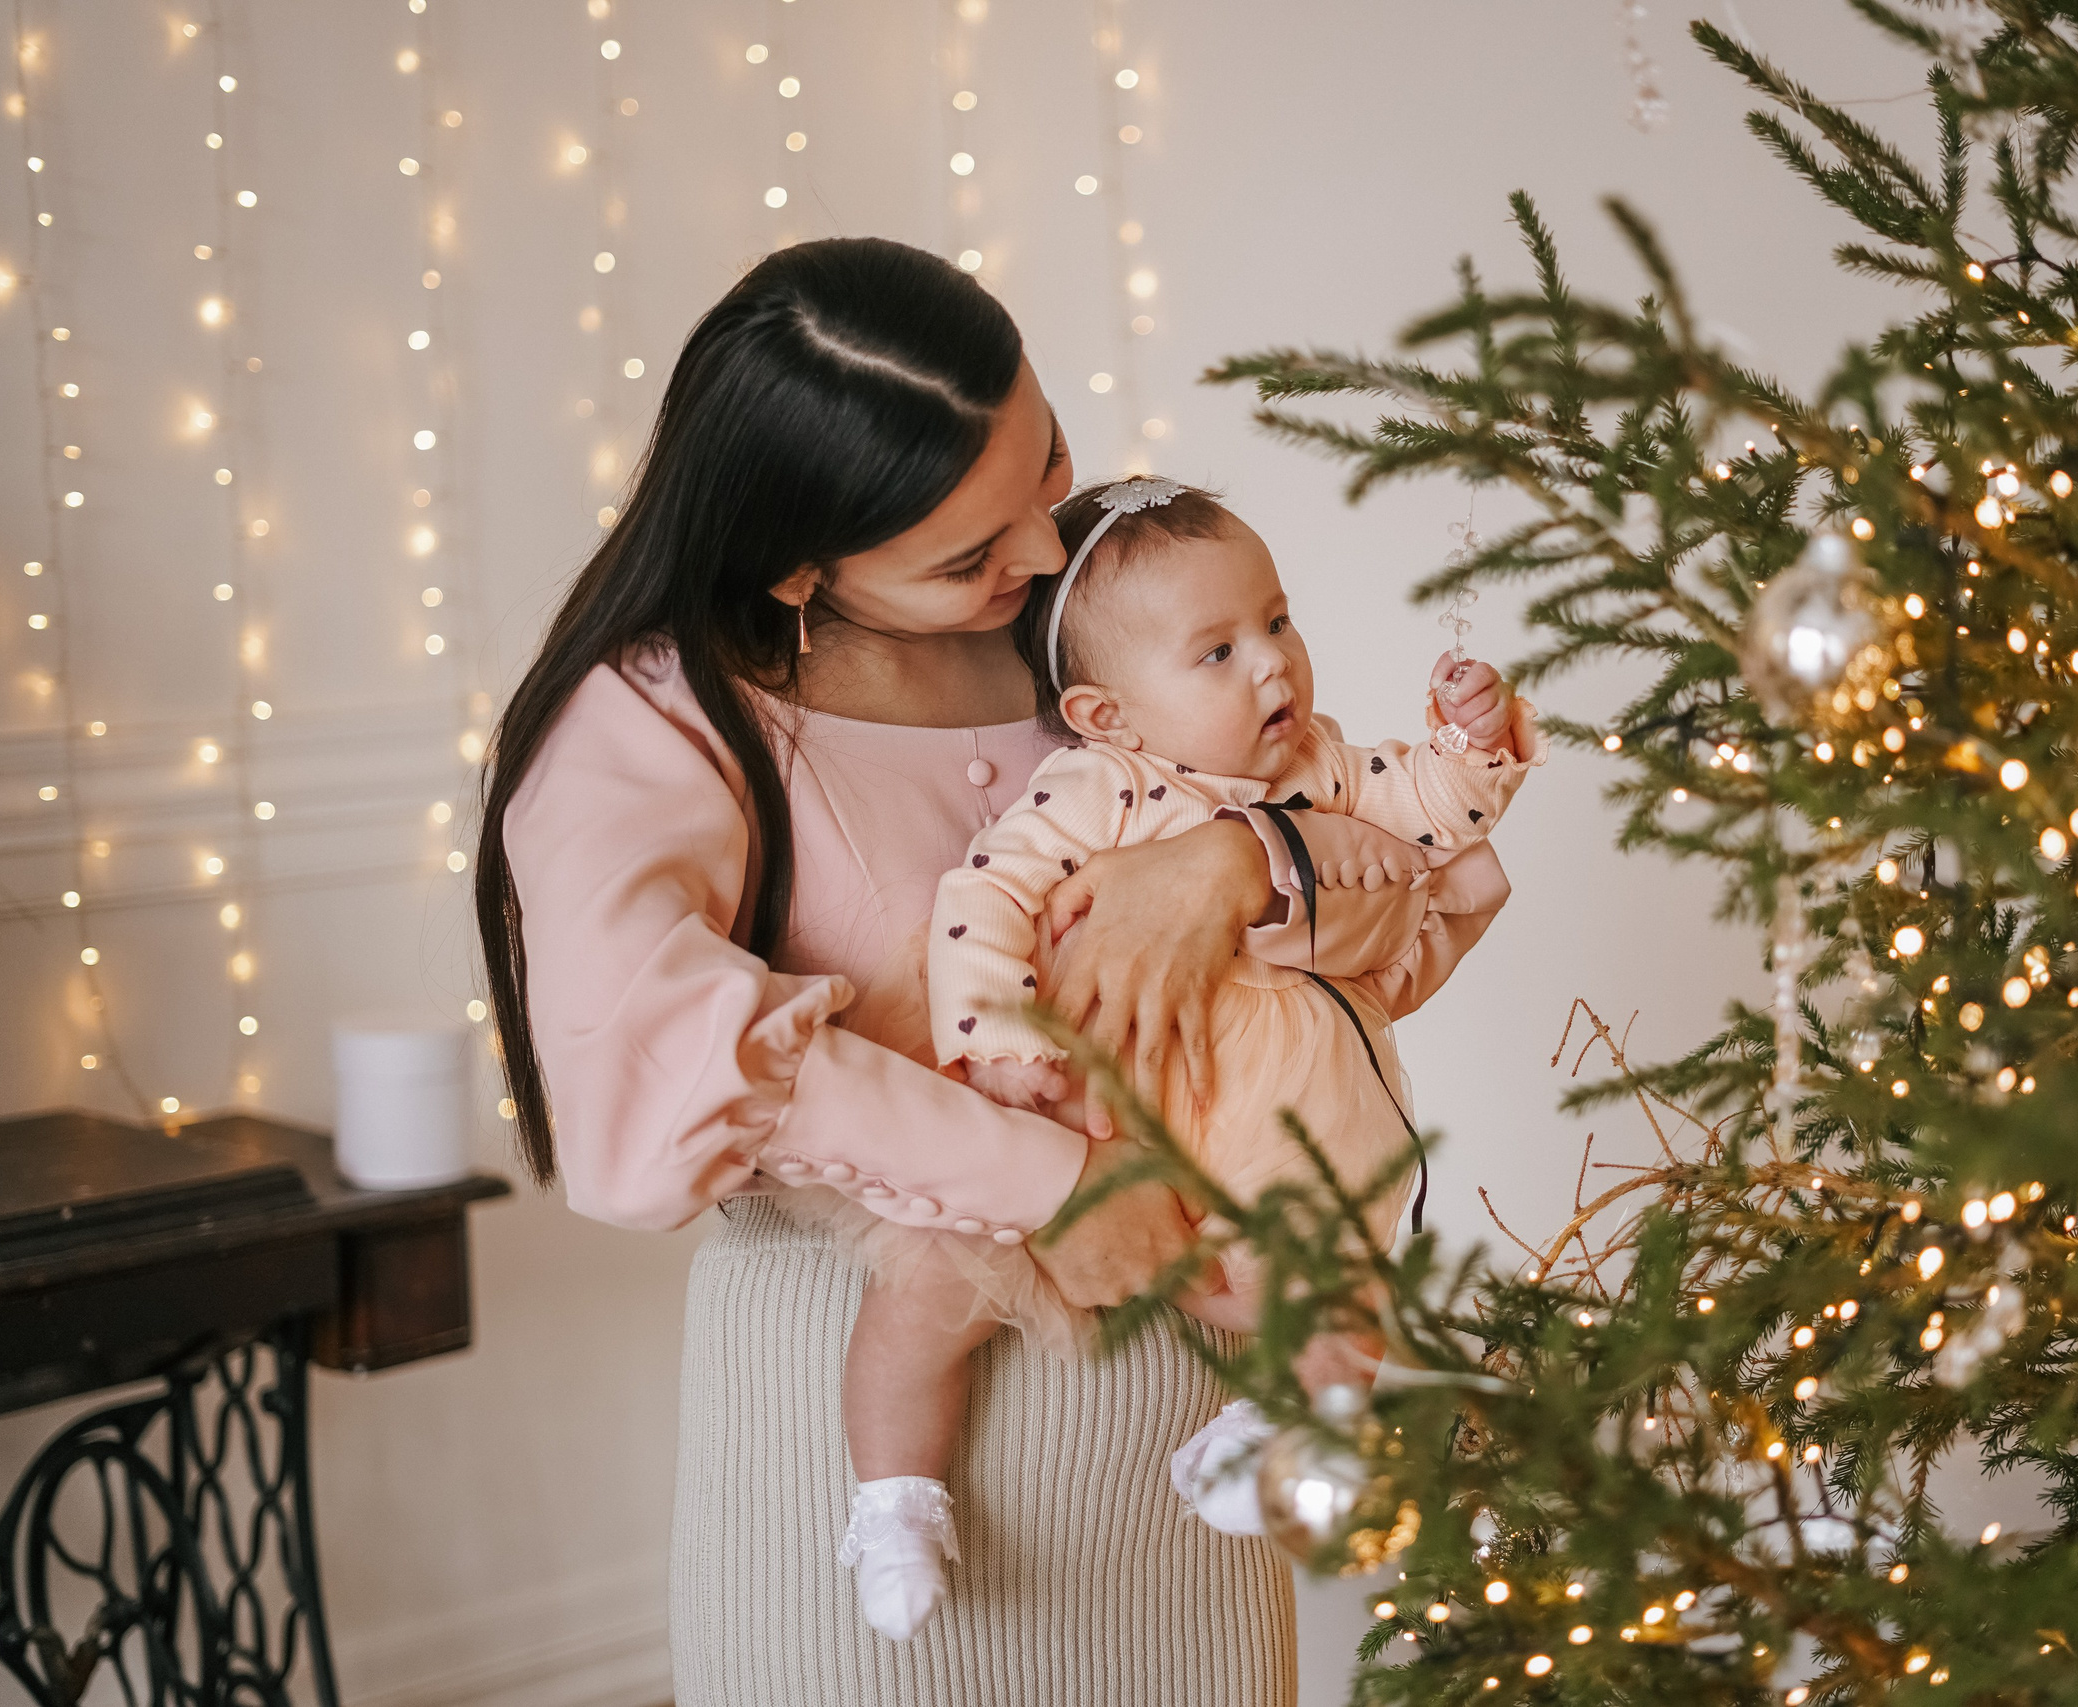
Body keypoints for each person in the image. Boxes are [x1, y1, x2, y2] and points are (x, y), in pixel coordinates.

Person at [473, 237, 1510, 1706]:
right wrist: (1055, 1183)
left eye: (1048, 469)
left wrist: (1237, 865)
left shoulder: (1090, 625)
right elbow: (647, 1062)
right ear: (796, 561)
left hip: (1181, 1441)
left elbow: (1378, 944)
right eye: (970, 552)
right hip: (882, 1431)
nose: (1039, 551)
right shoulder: (659, 724)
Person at [804, 477, 1538, 1638]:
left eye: (1279, 623)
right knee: (930, 1287)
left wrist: (1473, 739)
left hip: (1283, 1126)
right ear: (1104, 714)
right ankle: (895, 1497)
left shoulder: (1324, 771)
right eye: (1218, 651)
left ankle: (1296, 1427)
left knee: (1335, 1286)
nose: (1273, 669)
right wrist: (991, 1043)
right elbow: (982, 899)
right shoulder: (1097, 789)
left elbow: (1434, 815)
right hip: (1117, 1130)